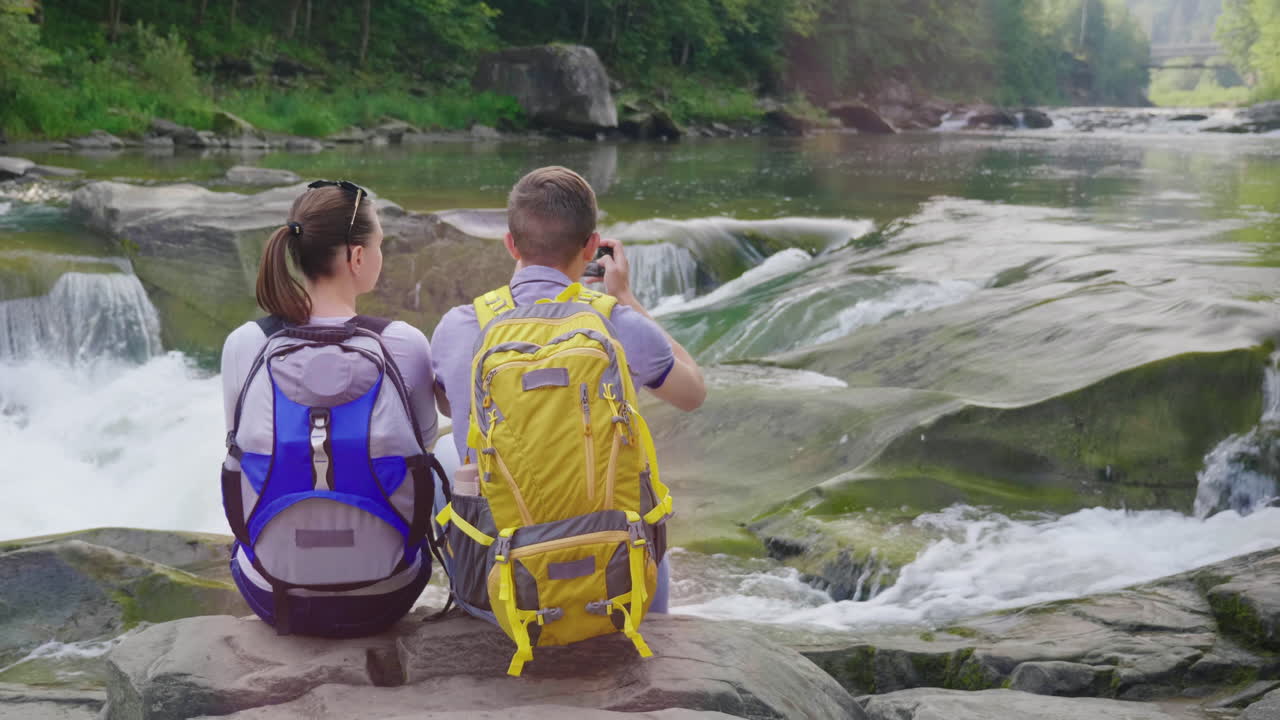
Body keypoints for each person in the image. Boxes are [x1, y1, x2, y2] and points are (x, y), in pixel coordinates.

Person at [431, 166, 706, 615]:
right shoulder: (618, 324)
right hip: (617, 590)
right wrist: (628, 300)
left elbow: (450, 405)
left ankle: (470, 591)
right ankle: (653, 617)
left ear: (510, 243)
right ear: (594, 247)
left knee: (447, 452)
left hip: (501, 594)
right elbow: (693, 392)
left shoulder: (462, 326)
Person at [220, 180, 439, 636]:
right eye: (380, 244)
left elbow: (241, 451)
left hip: (273, 594)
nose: (381, 254)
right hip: (388, 592)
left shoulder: (247, 343)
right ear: (357, 257)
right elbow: (422, 449)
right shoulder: (401, 343)